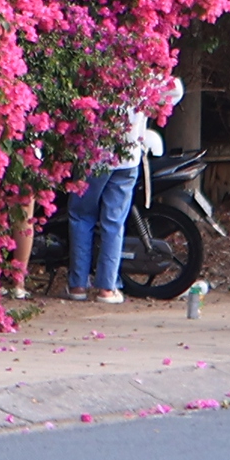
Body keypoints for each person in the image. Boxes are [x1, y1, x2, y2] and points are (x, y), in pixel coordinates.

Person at [65, 75, 181, 305]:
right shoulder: (142, 74)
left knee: (82, 217)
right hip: (127, 158)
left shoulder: (97, 68)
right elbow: (175, 89)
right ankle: (106, 288)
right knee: (114, 222)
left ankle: (78, 285)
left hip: (94, 157)